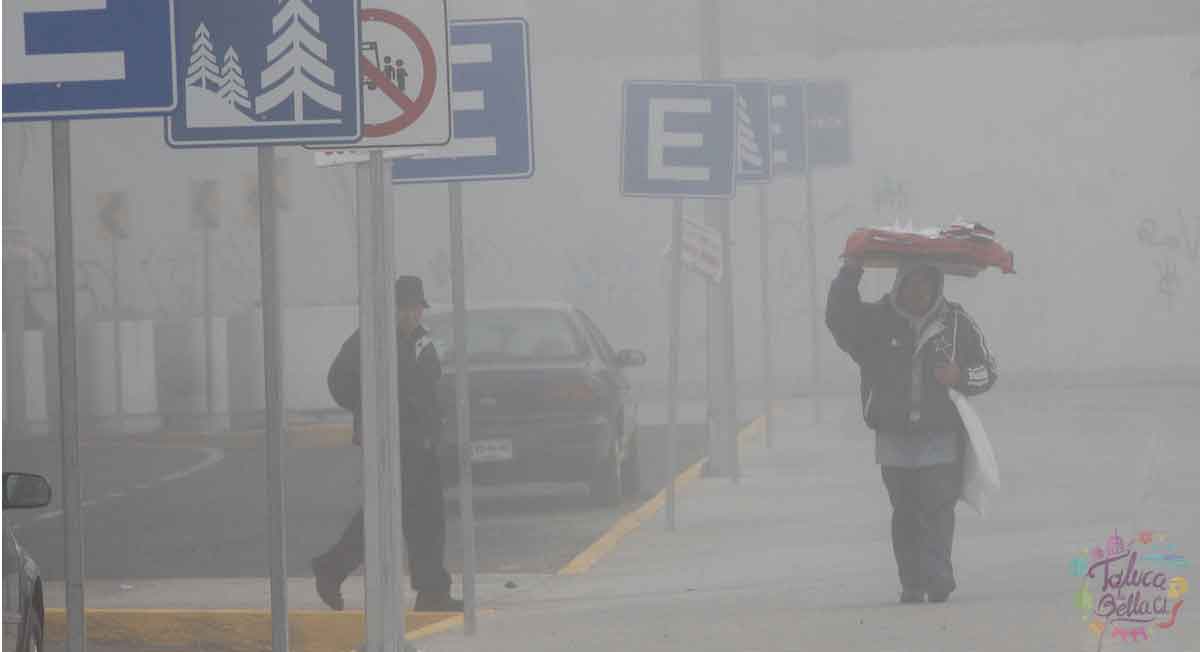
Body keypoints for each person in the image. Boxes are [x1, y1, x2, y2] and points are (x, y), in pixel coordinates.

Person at [826, 257, 997, 604]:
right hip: (893, 437)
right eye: (911, 282)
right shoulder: (876, 322)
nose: (918, 290)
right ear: (899, 284)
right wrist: (851, 270)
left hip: (941, 437)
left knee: (937, 506)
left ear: (936, 285)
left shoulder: (955, 323)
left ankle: (938, 577)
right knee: (905, 511)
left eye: (925, 283)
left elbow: (987, 371)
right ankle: (912, 582)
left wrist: (959, 376)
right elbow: (839, 319)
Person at [312, 275, 462, 613]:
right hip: (388, 442)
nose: (411, 315)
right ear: (390, 308)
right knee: (390, 514)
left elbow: (432, 387)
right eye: (404, 308)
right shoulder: (371, 339)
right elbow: (338, 381)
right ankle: (333, 568)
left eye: (416, 308)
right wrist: (372, 408)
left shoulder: (423, 341)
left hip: (421, 443)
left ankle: (430, 590)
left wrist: (438, 427)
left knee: (423, 516)